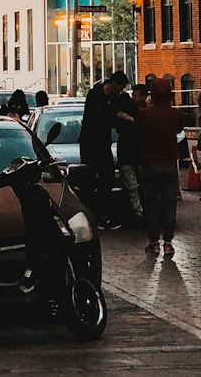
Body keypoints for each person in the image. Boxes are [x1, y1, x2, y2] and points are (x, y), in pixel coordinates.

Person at [138, 80, 185, 257]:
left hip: (149, 163)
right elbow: (179, 129)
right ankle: (168, 242)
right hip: (169, 163)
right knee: (169, 203)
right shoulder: (175, 114)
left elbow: (138, 132)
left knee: (151, 204)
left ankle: (153, 242)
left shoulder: (144, 114)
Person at [79, 69, 128, 229]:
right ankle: (92, 215)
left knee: (106, 179)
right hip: (90, 145)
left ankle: (103, 214)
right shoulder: (94, 95)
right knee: (90, 181)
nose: (121, 91)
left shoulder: (114, 98)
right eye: (121, 88)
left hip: (104, 144)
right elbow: (98, 119)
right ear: (114, 84)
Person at [114, 82, 147, 223]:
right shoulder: (127, 108)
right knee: (132, 186)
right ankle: (139, 215)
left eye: (136, 95)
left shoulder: (147, 112)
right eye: (132, 95)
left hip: (142, 154)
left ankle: (145, 213)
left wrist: (130, 119)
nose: (133, 97)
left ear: (144, 97)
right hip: (128, 154)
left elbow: (146, 127)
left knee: (145, 185)